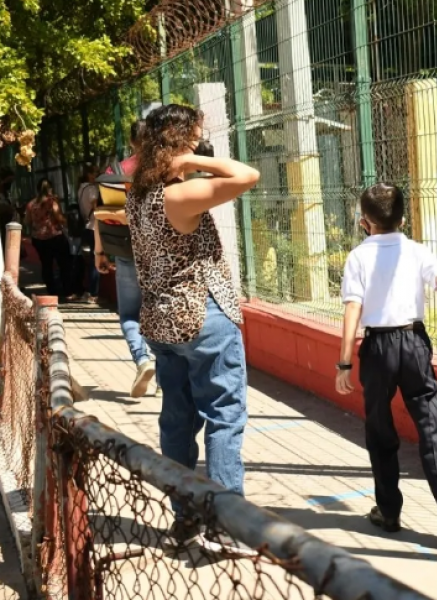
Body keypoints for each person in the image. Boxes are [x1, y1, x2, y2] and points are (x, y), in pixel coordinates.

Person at [127, 104, 259, 549]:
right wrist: (193, 162)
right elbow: (246, 175)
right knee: (224, 416)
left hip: (161, 322)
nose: (202, 146)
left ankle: (185, 516)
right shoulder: (178, 195)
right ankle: (225, 519)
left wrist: (181, 160)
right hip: (204, 319)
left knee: (178, 421)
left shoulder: (138, 194)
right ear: (179, 143)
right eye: (196, 139)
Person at [335, 183, 437, 545]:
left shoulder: (358, 256)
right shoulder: (417, 250)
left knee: (380, 431)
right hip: (414, 343)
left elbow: (353, 308)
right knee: (430, 431)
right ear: (403, 218)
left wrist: (344, 363)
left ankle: (388, 512)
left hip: (377, 348)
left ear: (364, 221)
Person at [95, 120, 156, 398]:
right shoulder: (165, 169)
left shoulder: (116, 171)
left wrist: (100, 251)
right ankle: (163, 374)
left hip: (126, 250)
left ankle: (142, 360)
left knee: (130, 313)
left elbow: (101, 212)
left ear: (131, 142)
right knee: (158, 312)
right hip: (159, 251)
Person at [24, 179, 71, 298]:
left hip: (38, 239)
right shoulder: (52, 202)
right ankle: (67, 290)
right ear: (50, 188)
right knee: (63, 263)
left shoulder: (31, 204)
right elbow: (58, 216)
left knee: (46, 265)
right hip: (55, 237)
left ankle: (52, 291)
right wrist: (65, 221)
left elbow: (27, 221)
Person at [77, 163, 101, 302]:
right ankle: (93, 293)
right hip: (93, 226)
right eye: (95, 173)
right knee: (95, 259)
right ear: (89, 174)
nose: (97, 176)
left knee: (90, 259)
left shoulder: (81, 188)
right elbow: (95, 206)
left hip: (86, 226)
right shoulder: (91, 189)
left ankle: (89, 291)